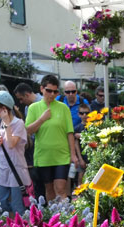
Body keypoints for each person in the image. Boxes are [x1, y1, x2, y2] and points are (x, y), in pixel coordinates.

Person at [25, 74, 84, 202]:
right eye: (49, 90)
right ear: (41, 89)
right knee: (49, 190)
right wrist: (42, 119)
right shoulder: (33, 108)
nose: (52, 94)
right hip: (43, 156)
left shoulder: (63, 108)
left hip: (61, 155)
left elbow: (70, 132)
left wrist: (73, 155)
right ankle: (53, 219)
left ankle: (65, 218)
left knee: (61, 189)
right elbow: (28, 131)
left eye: (55, 91)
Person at [0, 91, 30, 216]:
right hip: (3, 168)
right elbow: (1, 139)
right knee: (0, 204)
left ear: (3, 108)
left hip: (16, 169)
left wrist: (7, 124)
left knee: (17, 206)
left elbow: (11, 144)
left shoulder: (18, 123)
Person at [71, 102, 90, 187]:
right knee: (80, 178)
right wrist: (80, 158)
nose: (85, 115)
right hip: (82, 156)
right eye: (82, 113)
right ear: (79, 114)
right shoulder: (77, 128)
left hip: (92, 156)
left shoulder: (94, 126)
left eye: (87, 113)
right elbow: (76, 145)